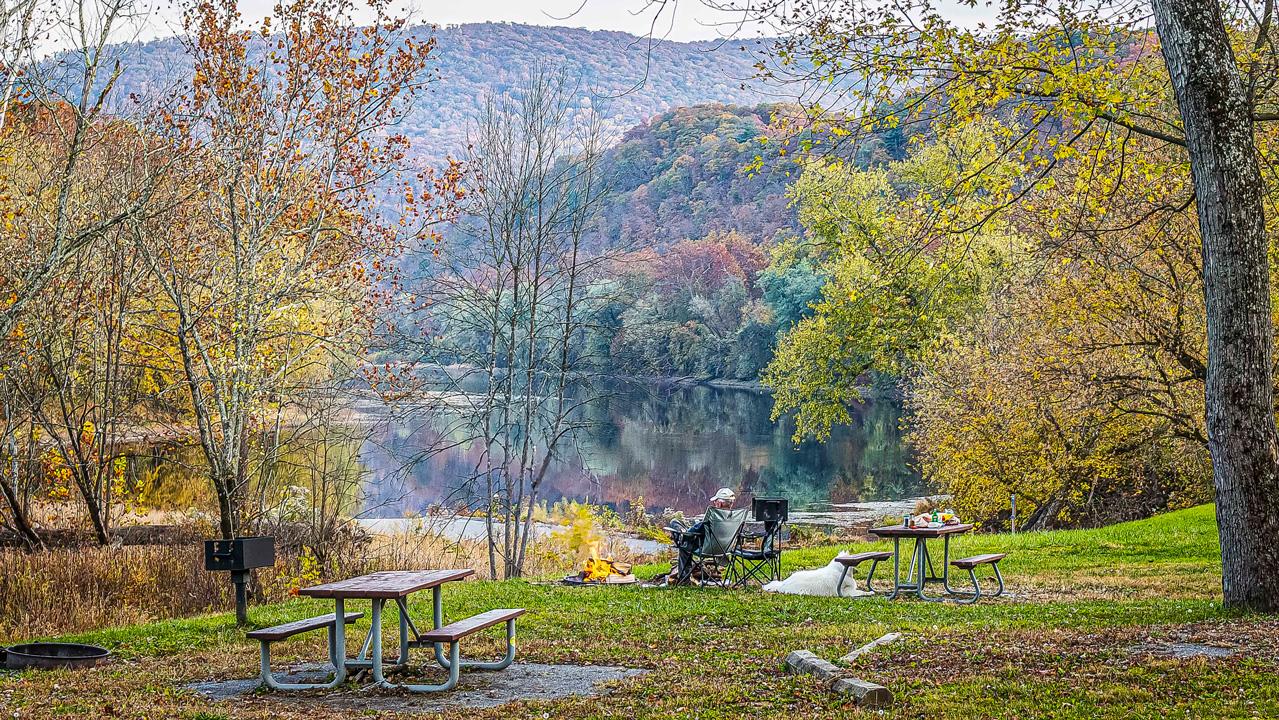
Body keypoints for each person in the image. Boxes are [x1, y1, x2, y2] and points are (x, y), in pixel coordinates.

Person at [669, 488, 737, 583]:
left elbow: (691, 532)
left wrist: (685, 533)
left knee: (675, 525)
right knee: (685, 536)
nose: (714, 503)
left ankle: (684, 579)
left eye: (715, 501)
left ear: (720, 504)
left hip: (706, 548)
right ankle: (680, 536)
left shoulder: (712, 518)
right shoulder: (736, 518)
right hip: (725, 549)